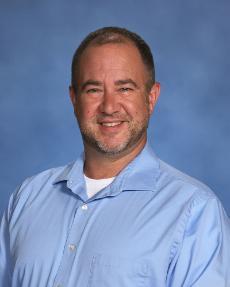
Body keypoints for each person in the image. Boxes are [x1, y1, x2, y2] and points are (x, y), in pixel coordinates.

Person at [0, 27, 229, 287]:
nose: (109, 107)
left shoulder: (195, 211)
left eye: (125, 89)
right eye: (93, 90)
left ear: (151, 98)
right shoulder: (27, 198)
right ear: (74, 99)